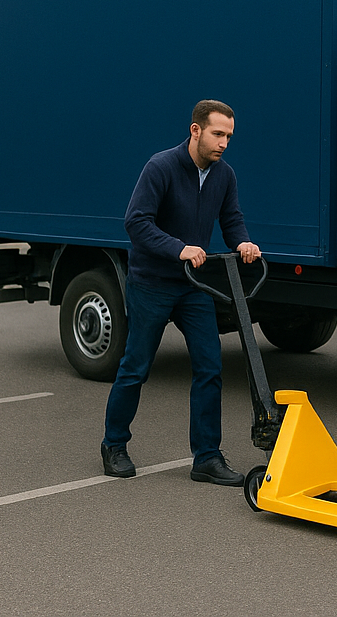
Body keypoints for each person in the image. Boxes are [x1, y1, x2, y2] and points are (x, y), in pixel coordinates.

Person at [101, 100, 261, 486]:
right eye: (217, 134)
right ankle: (114, 445)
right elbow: (135, 222)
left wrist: (243, 243)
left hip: (193, 287)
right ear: (195, 130)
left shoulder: (224, 175)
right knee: (135, 368)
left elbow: (231, 219)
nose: (224, 143)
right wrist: (179, 248)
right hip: (152, 283)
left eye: (228, 137)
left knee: (210, 368)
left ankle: (206, 458)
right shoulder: (161, 167)